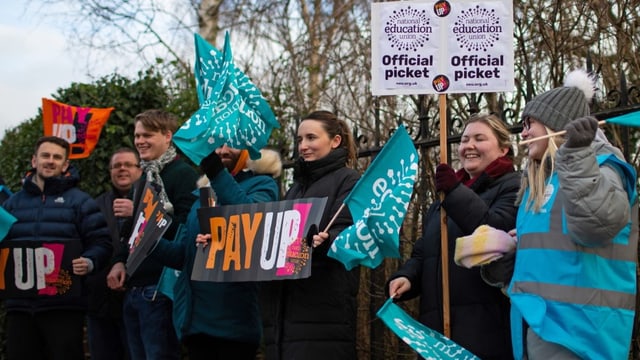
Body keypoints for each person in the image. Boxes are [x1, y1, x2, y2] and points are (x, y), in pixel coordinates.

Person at [486, 69, 638, 359]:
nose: (524, 132)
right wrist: (511, 266)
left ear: (557, 125)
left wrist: (578, 156)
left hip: (580, 334)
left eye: (530, 123)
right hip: (540, 326)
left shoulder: (602, 165)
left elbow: (596, 226)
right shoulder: (540, 182)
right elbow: (557, 253)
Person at [386, 113, 519, 359]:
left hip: (486, 328)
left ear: (503, 148)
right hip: (438, 331)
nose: (469, 146)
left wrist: (454, 191)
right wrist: (407, 277)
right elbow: (425, 251)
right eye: (465, 139)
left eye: (479, 139)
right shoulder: (445, 198)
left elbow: (493, 231)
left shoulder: (514, 186)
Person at [152, 144, 282, 360]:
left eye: (230, 144)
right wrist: (146, 241)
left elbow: (252, 222)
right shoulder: (203, 193)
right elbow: (184, 255)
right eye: (216, 145)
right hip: (195, 322)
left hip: (233, 325)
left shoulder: (262, 184)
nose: (222, 150)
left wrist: (216, 173)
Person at [260, 110, 361, 359]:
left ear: (335, 141)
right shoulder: (296, 188)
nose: (303, 146)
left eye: (311, 138)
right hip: (284, 316)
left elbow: (351, 234)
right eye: (299, 139)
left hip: (323, 313)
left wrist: (328, 241)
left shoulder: (349, 180)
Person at [2, 136, 112, 360]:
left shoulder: (81, 202)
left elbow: (102, 242)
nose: (50, 161)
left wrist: (89, 261)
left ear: (65, 165)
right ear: (34, 160)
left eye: (57, 157)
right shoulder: (11, 205)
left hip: (64, 306)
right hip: (19, 308)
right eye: (45, 155)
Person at [107, 109, 199, 359]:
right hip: (134, 286)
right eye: (137, 135)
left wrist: (145, 219)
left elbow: (186, 226)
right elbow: (133, 231)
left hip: (160, 287)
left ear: (167, 136)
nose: (140, 141)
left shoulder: (184, 175)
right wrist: (119, 261)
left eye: (147, 135)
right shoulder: (145, 176)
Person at [88, 148, 143, 360]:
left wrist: (138, 210)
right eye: (117, 166)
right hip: (102, 302)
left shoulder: (154, 201)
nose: (122, 169)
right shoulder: (95, 206)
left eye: (128, 164)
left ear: (140, 170)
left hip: (140, 297)